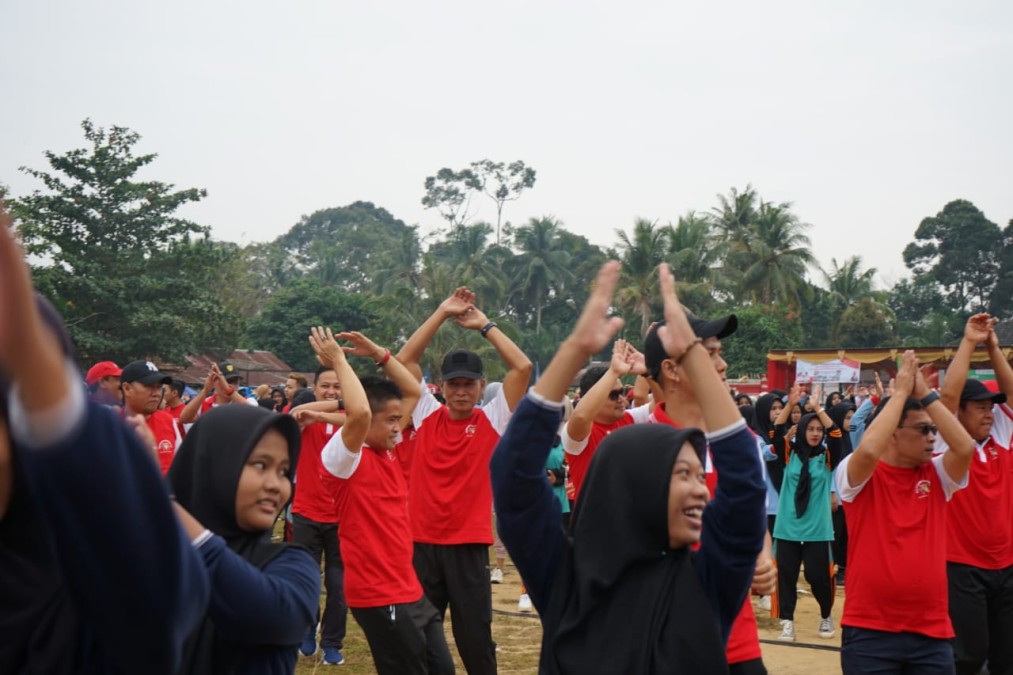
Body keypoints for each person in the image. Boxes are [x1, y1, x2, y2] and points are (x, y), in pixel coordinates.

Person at [492, 261, 766, 674]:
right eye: (683, 474)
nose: (702, 490)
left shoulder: (706, 583)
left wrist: (694, 355)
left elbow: (745, 491)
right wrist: (573, 352)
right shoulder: (566, 580)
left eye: (700, 475)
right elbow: (513, 477)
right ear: (635, 487)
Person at [0, 201, 209, 674]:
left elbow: (162, 606)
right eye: (133, 384)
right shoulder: (107, 440)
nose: (155, 393)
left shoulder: (73, 597)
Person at [397, 287, 532, 675]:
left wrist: (484, 325)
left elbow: (522, 367)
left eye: (468, 384)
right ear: (440, 386)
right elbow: (405, 360)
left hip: (468, 546)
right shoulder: (425, 412)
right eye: (453, 384)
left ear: (480, 386)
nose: (460, 391)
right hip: (421, 543)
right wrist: (441, 312)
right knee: (417, 637)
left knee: (474, 638)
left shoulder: (493, 418)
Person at [311, 328, 455, 675]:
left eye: (397, 419)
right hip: (378, 595)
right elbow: (359, 413)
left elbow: (412, 391)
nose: (397, 427)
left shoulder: (387, 448)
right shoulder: (344, 458)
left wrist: (379, 354)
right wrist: (339, 361)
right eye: (390, 421)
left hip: (410, 590)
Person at [643, 312, 776, 674]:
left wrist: (763, 558)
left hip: (738, 642)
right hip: (665, 641)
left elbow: (751, 522)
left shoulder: (740, 442)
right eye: (709, 354)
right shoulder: (641, 443)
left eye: (720, 352)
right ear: (671, 369)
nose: (722, 364)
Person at [835, 350, 976, 674]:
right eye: (923, 430)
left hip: (931, 632)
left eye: (933, 430)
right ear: (893, 434)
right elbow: (868, 450)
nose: (932, 438)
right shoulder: (858, 474)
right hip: (870, 631)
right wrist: (899, 393)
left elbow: (964, 447)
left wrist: (924, 393)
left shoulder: (936, 474)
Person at [168, 404, 318, 675]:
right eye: (261, 465)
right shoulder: (153, 559)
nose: (276, 485)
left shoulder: (291, 563)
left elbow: (270, 617)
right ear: (212, 465)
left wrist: (161, 502)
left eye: (284, 472)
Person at [934, 313, 1013, 675]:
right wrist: (969, 342)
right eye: (980, 407)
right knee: (967, 656)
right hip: (961, 566)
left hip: (1006, 565)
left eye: (991, 408)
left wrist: (993, 347)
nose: (988, 414)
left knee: (1006, 657)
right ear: (959, 414)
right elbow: (948, 396)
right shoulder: (946, 445)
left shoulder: (1001, 437)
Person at [770, 383, 844, 642]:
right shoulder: (788, 454)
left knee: (818, 576)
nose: (814, 433)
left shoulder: (826, 457)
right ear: (801, 430)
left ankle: (825, 614)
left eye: (818, 430)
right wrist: (791, 404)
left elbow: (837, 434)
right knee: (786, 576)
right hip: (787, 527)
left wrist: (818, 408)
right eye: (810, 429)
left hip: (818, 529)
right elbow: (776, 429)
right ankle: (787, 621)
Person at [288, 364, 348, 665]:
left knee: (339, 585)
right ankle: (307, 630)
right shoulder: (304, 417)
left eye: (338, 386)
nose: (331, 391)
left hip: (343, 516)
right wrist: (327, 406)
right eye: (325, 385)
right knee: (307, 578)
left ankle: (333, 642)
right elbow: (294, 414)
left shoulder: (352, 418)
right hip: (306, 512)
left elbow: (359, 416)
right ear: (314, 388)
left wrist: (329, 411)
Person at [562, 339, 652, 501]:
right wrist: (613, 372)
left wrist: (649, 372)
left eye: (622, 392)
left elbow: (665, 404)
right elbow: (581, 416)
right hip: (596, 516)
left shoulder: (630, 418)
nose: (621, 399)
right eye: (613, 395)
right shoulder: (579, 435)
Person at [119, 359, 183, 475]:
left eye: (159, 387)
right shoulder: (110, 426)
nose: (156, 393)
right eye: (148, 386)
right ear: (127, 388)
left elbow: (182, 468)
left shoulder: (168, 421)